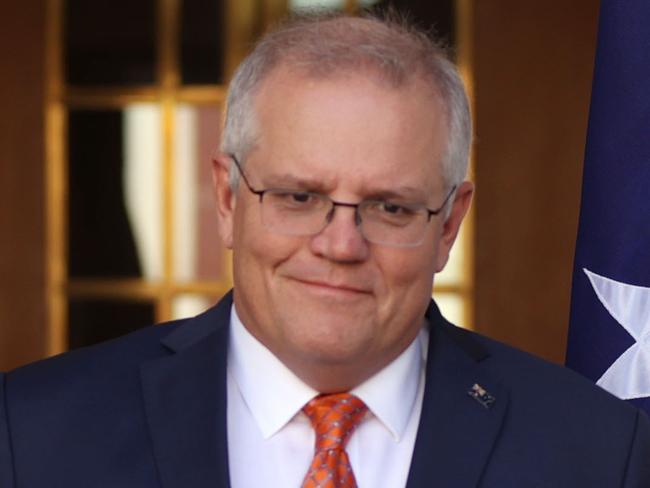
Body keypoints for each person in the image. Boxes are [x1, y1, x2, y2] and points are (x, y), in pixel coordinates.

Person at [1, 12, 649, 488]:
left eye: (391, 207)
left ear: (449, 224)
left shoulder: (599, 450)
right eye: (298, 197)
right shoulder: (30, 435)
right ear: (228, 198)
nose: (340, 245)